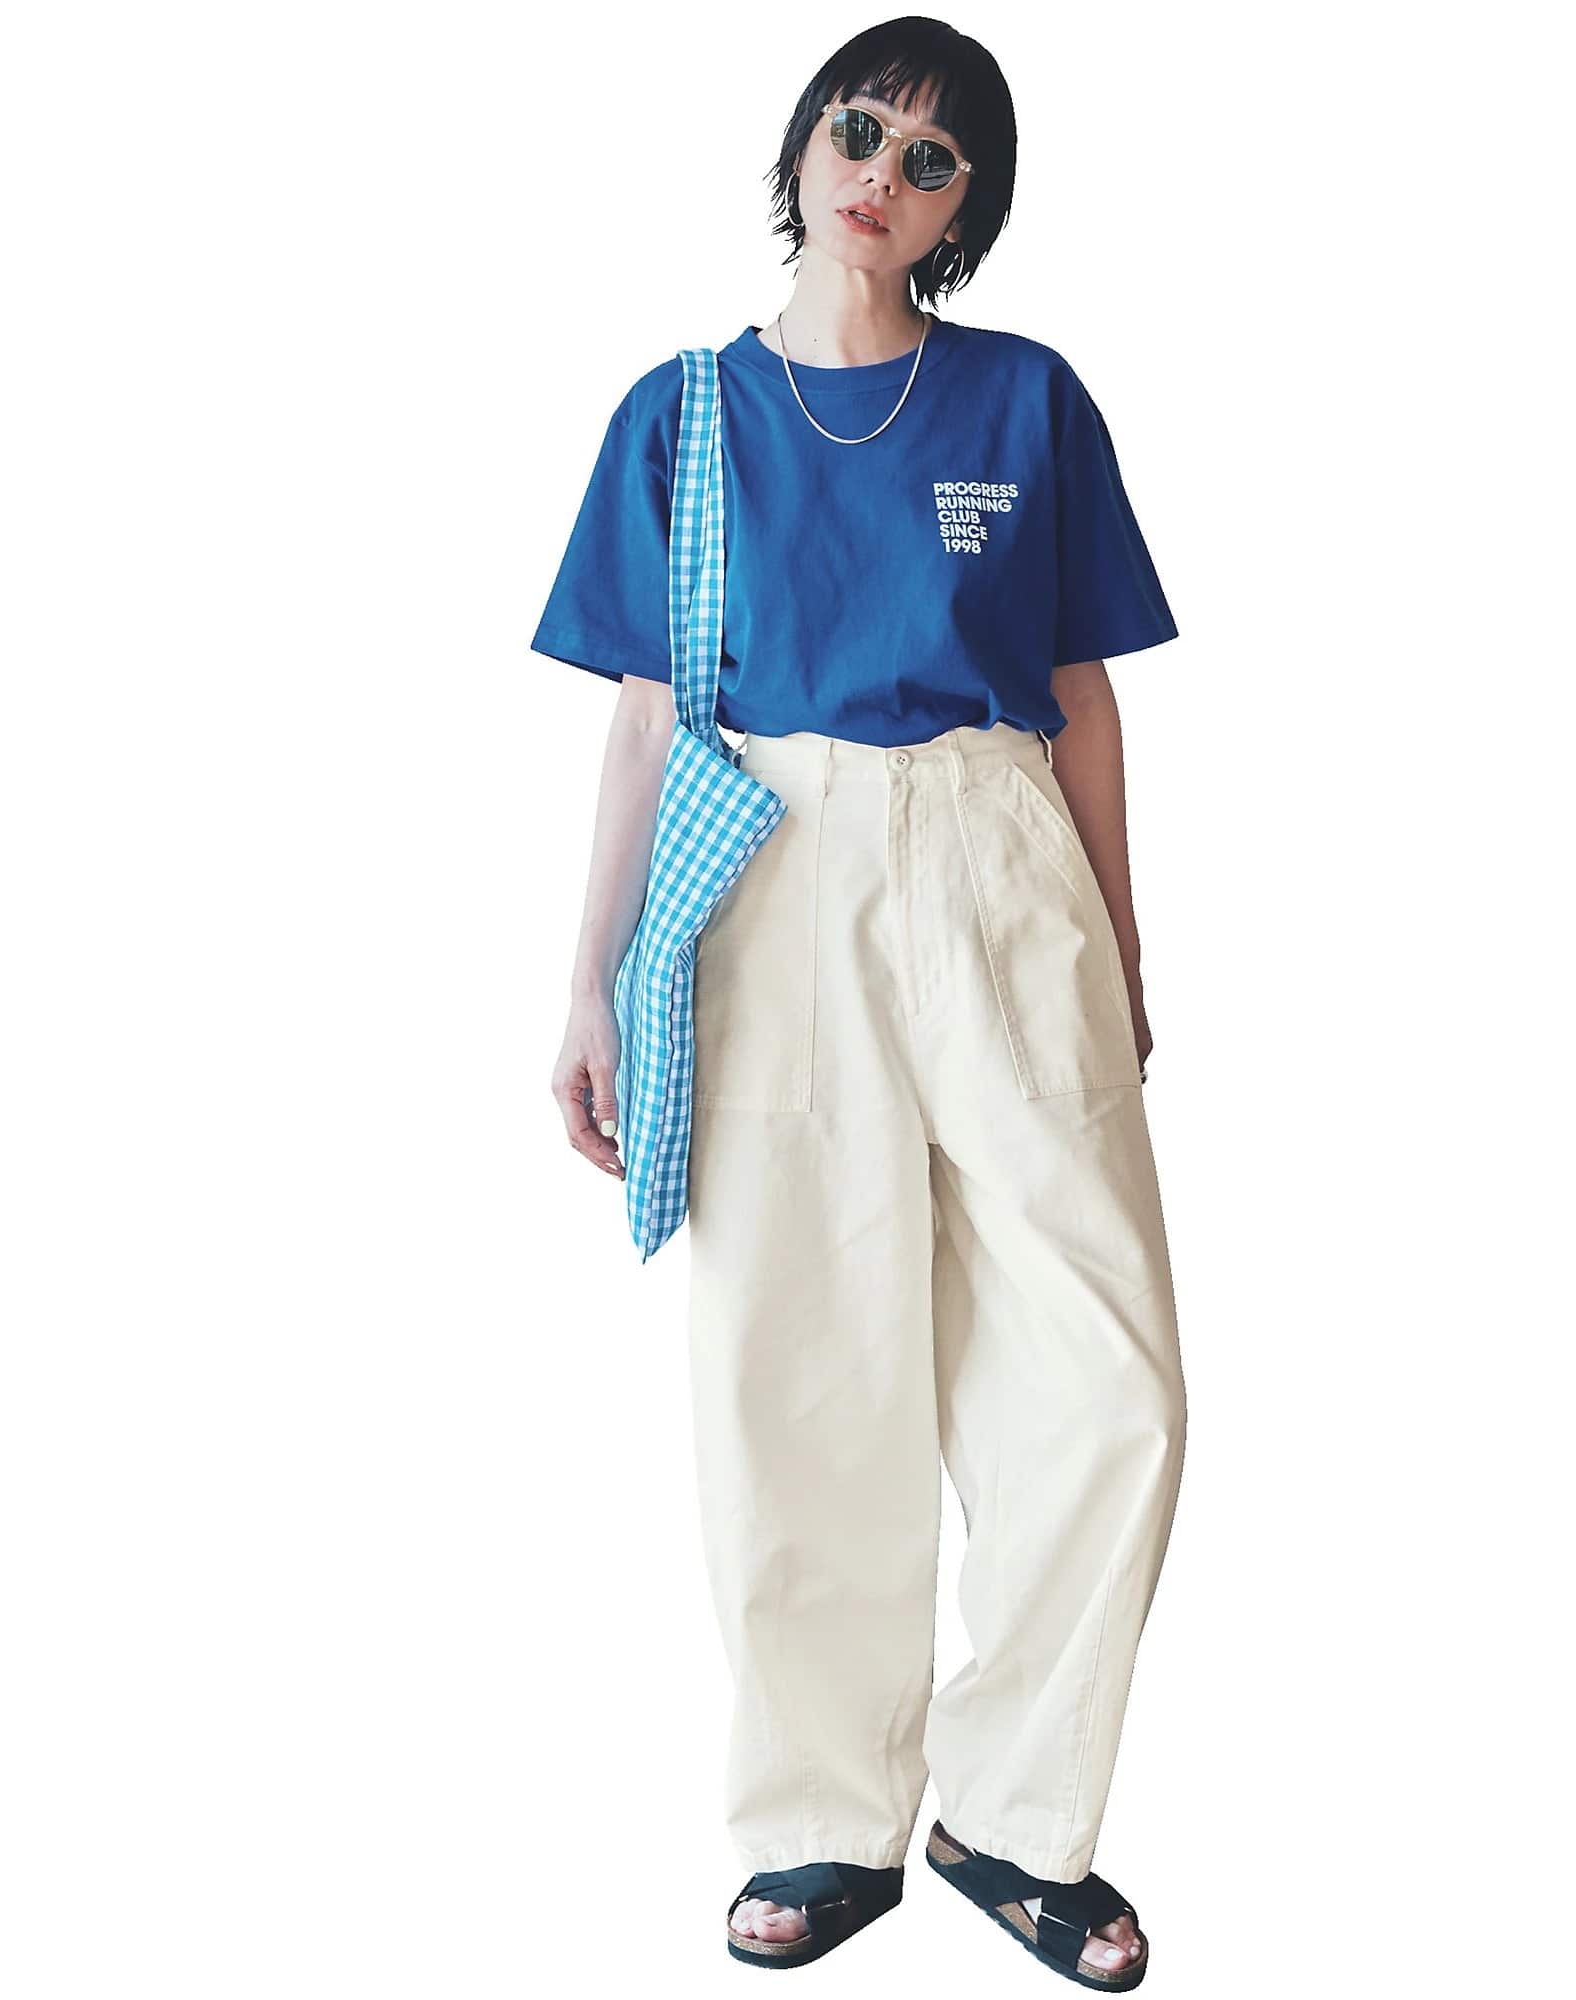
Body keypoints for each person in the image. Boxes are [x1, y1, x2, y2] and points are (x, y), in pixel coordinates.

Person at [535, 21, 1186, 1985]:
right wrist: (589, 981)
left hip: (998, 857)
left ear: (967, 206)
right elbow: (646, 717)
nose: (882, 175)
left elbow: (1077, 695)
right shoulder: (684, 412)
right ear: (801, 146)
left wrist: (1121, 943)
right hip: (773, 867)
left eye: (931, 158)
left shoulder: (1024, 399)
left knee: (1108, 1372)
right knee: (799, 1359)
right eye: (859, 129)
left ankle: (1016, 1813)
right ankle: (822, 1818)